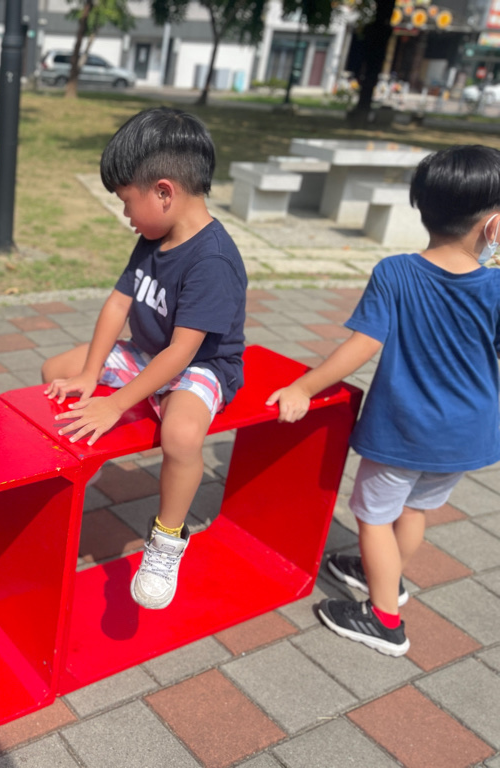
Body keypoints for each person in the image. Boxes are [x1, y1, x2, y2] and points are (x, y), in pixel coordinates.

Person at [267, 144, 500, 657]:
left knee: (373, 516)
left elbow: (362, 345)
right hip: (467, 434)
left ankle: (384, 619)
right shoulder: (497, 285)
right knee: (414, 509)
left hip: (405, 431)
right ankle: (386, 577)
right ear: (493, 226)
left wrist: (304, 386)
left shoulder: (397, 273)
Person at [42, 107, 247, 610]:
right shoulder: (154, 237)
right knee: (56, 372)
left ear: (163, 192)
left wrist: (115, 404)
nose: (126, 215)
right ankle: (77, 470)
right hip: (147, 353)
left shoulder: (213, 259)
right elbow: (118, 304)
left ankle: (166, 541)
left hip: (201, 366)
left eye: (126, 201)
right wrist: (90, 374)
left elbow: (183, 351)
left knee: (181, 435)